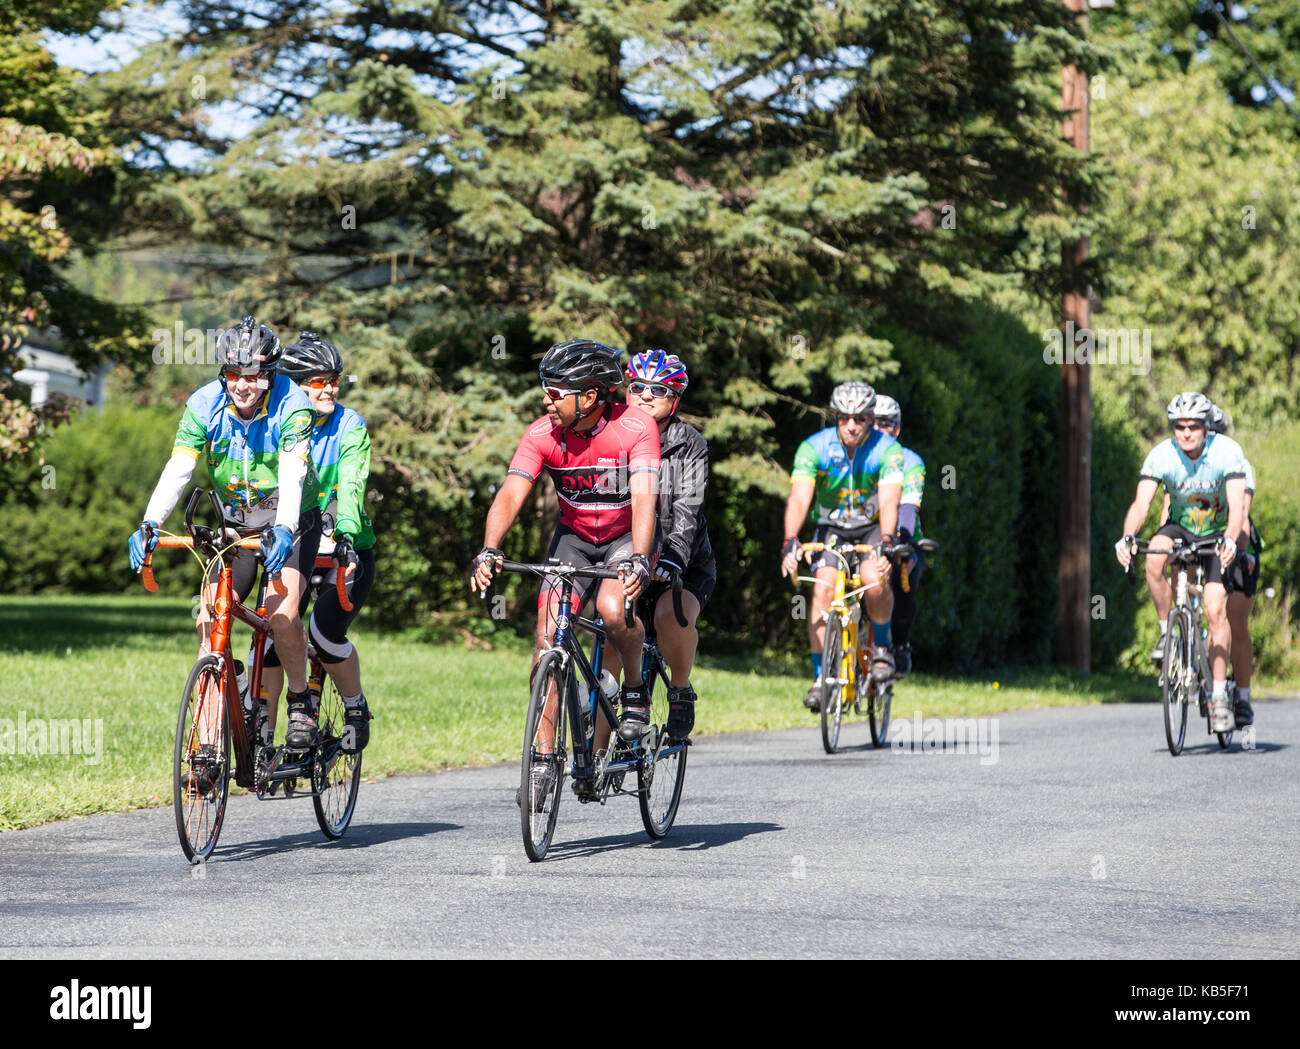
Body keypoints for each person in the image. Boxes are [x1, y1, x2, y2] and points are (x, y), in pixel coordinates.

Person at [127, 315, 322, 784]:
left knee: (281, 614)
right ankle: (214, 731)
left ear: (270, 374)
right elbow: (179, 467)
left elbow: (294, 474)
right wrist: (151, 522)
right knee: (209, 618)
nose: (243, 386)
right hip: (234, 524)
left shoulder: (293, 405)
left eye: (253, 376)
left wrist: (284, 528)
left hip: (290, 521)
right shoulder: (204, 404)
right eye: (234, 375)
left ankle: (300, 702)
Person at [469, 340, 660, 799]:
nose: (545, 400)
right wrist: (489, 548)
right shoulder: (542, 434)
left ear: (589, 397)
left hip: (623, 540)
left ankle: (634, 688)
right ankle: (541, 760)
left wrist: (638, 557)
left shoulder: (636, 428)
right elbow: (512, 493)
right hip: (573, 541)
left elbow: (646, 498)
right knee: (545, 638)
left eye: (555, 392)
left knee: (614, 609)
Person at [260, 332, 378, 752]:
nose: (329, 389)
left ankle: (354, 705)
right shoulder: (277, 423)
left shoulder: (349, 424)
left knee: (323, 635)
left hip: (346, 548)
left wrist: (344, 529)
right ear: (292, 385)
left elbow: (351, 483)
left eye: (334, 380)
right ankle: (263, 737)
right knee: (275, 630)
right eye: (317, 381)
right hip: (294, 542)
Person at [1115, 392, 1246, 732]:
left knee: (1216, 609)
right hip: (1181, 528)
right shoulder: (1161, 455)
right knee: (1154, 557)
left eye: (1194, 426)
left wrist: (1231, 539)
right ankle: (1167, 635)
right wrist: (1128, 536)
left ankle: (1219, 697)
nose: (1186, 433)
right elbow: (1141, 504)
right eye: (1179, 427)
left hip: (1217, 531)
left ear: (1206, 428)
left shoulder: (1226, 453)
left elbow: (1237, 508)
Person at [779, 381, 904, 711]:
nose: (852, 425)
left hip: (872, 528)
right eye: (845, 417)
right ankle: (822, 678)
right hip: (832, 528)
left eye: (860, 418)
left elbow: (891, 502)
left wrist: (889, 542)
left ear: (869, 418)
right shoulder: (813, 448)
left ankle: (882, 649)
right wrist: (790, 540)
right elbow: (799, 497)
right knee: (822, 589)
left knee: (873, 578)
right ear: (835, 417)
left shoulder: (887, 449)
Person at [619, 348, 715, 740]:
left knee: (667, 617)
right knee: (611, 623)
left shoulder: (689, 442)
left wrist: (674, 556)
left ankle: (679, 689)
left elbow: (688, 509)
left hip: (684, 561)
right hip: (626, 557)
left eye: (656, 389)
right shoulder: (612, 435)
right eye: (637, 386)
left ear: (674, 399)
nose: (644, 395)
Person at [1158, 404, 1257, 727]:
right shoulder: (1181, 464)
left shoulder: (1234, 463)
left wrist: (1237, 553)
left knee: (1235, 621)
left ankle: (1241, 698)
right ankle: (1183, 639)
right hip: (1193, 538)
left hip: (1230, 541)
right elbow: (1170, 509)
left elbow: (1239, 516)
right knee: (1179, 576)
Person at [870, 394, 925, 677]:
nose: (880, 430)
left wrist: (901, 545)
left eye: (887, 424)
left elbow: (907, 509)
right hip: (863, 535)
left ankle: (900, 644)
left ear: (897, 429)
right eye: (874, 423)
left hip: (902, 534)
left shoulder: (910, 461)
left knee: (905, 586)